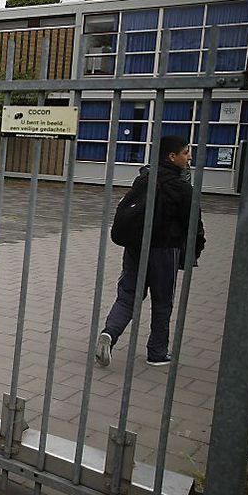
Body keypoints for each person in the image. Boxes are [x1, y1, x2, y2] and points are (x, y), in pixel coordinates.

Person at [96, 134, 205, 368]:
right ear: (172, 156)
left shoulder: (145, 179)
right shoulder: (181, 188)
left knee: (128, 296)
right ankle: (156, 352)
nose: (189, 157)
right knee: (162, 301)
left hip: (136, 248)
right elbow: (194, 224)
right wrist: (194, 251)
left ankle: (109, 334)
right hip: (165, 251)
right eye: (185, 153)